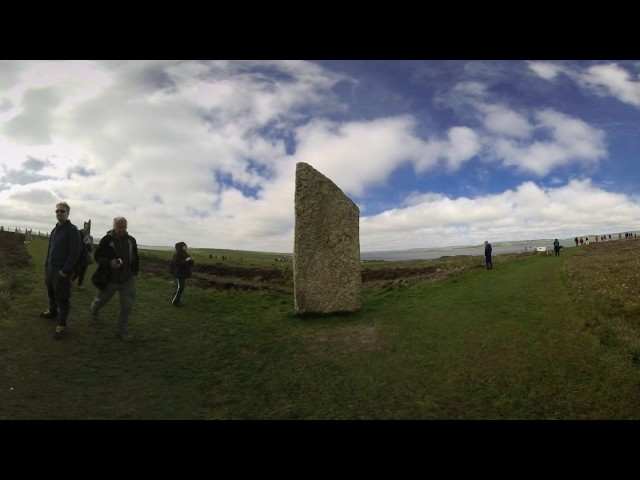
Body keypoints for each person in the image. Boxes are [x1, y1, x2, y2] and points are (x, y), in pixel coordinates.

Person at [90, 217, 139, 341]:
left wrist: (134, 272)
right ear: (113, 226)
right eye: (118, 226)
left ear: (126, 227)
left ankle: (122, 329)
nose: (121, 229)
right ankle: (94, 311)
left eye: (123, 227)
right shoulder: (106, 240)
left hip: (127, 280)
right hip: (110, 279)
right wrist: (109, 262)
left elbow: (135, 257)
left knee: (127, 306)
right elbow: (98, 256)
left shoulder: (131, 240)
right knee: (100, 301)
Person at [40, 201, 81, 339]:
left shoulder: (72, 230)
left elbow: (74, 252)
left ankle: (62, 324)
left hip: (61, 270)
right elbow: (50, 249)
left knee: (62, 298)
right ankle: (52, 312)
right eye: (57, 211)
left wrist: (65, 270)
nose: (59, 213)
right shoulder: (55, 229)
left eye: (62, 211)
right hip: (50, 269)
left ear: (68, 213)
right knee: (51, 293)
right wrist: (46, 266)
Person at [171, 241, 195, 306]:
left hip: (183, 273)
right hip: (179, 274)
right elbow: (177, 264)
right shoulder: (177, 254)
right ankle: (175, 301)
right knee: (180, 287)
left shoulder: (186, 254)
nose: (186, 247)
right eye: (184, 246)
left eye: (186, 246)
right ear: (181, 247)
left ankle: (177, 301)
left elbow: (188, 265)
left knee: (181, 288)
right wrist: (186, 260)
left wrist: (191, 261)